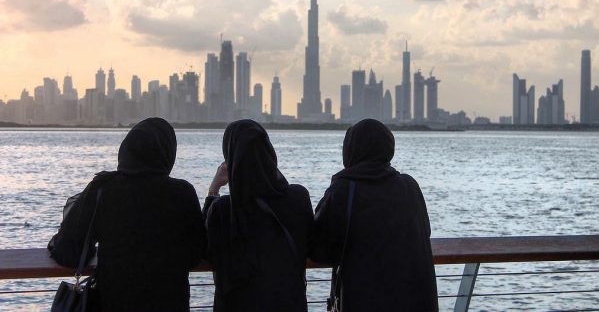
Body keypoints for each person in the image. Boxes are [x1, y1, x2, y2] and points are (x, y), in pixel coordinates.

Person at [48, 117, 205, 312]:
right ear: (168, 152)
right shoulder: (183, 193)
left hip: (113, 302)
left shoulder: (104, 188)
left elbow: (69, 251)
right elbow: (196, 254)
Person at [311, 118, 439, 311]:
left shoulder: (344, 189)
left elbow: (320, 249)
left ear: (350, 149)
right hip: (414, 299)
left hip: (364, 300)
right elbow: (424, 231)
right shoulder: (409, 186)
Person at [203, 119, 313, 312]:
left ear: (230, 157)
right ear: (269, 152)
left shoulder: (224, 210)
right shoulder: (298, 198)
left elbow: (205, 247)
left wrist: (213, 191)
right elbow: (313, 244)